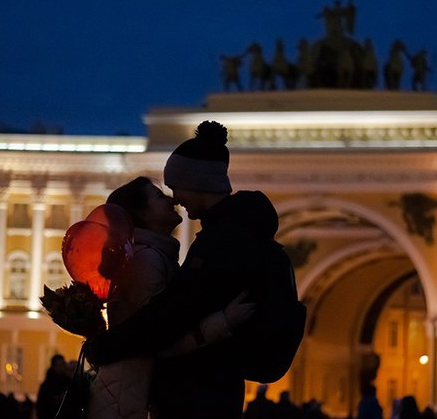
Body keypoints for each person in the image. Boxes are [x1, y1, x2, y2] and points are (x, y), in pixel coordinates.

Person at [87, 121, 304, 419]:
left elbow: (172, 314)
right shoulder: (236, 231)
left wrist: (105, 346)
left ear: (197, 184)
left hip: (200, 394)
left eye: (176, 187)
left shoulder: (224, 239)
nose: (175, 198)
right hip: (215, 389)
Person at [87, 176, 254, 419]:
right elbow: (157, 335)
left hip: (132, 393)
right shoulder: (146, 260)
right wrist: (223, 322)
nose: (171, 199)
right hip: (129, 399)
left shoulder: (153, 255)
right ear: (142, 214)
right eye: (158, 196)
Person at [36, 354, 71, 419]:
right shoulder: (47, 385)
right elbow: (41, 406)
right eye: (60, 365)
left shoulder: (67, 381)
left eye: (63, 364)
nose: (62, 367)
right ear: (54, 366)